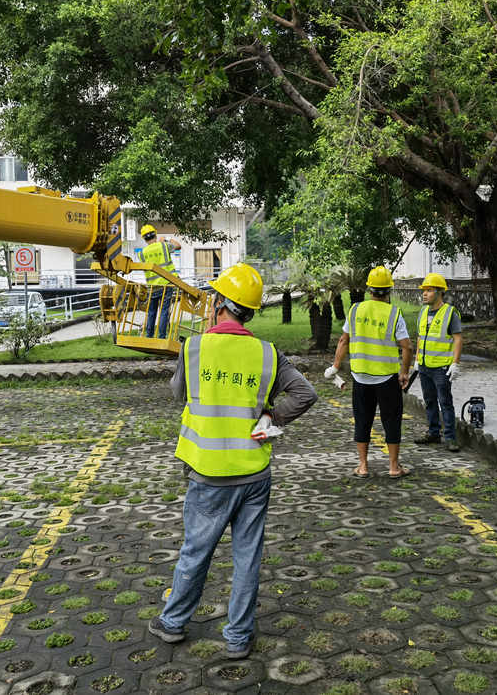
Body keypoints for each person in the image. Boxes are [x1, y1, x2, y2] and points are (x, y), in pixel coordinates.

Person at [149, 263, 317, 659]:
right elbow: (305, 394)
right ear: (250, 311)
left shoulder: (194, 348)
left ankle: (173, 623)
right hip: (254, 475)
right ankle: (238, 638)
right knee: (247, 557)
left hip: (208, 475)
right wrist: (271, 419)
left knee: (196, 551)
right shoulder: (267, 354)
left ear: (221, 304)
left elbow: (178, 395)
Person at [327, 266, 413, 478]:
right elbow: (407, 346)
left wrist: (335, 367)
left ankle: (363, 466)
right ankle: (393, 467)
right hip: (387, 378)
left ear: (369, 290)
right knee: (391, 420)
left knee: (363, 419)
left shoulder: (355, 310)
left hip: (361, 377)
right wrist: (404, 372)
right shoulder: (394, 313)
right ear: (389, 291)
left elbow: (343, 340)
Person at [413, 273, 464, 451]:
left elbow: (457, 339)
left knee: (445, 402)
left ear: (439, 292)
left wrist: (455, 363)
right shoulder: (423, 312)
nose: (424, 294)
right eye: (424, 291)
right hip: (425, 366)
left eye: (429, 290)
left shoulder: (450, 313)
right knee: (429, 401)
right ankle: (433, 433)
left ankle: (450, 438)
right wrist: (417, 359)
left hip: (442, 368)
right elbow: (420, 337)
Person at [141, 223, 182, 338]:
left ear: (144, 238)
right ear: (155, 234)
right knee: (164, 311)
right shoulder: (163, 246)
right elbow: (178, 246)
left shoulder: (142, 253)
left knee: (151, 312)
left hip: (152, 287)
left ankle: (149, 336)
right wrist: (166, 239)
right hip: (166, 285)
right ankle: (161, 337)